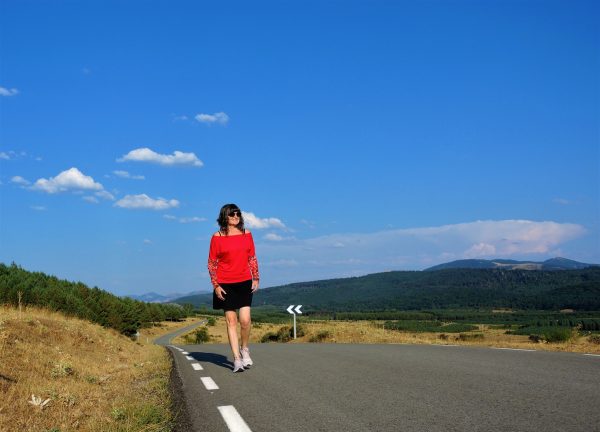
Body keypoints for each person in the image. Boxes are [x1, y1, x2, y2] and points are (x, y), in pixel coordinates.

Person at [207, 203, 259, 372]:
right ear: (225, 217)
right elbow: (212, 263)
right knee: (231, 321)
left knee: (245, 320)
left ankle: (245, 349)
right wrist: (216, 285)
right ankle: (236, 359)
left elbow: (252, 257)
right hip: (225, 284)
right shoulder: (217, 237)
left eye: (238, 214)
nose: (236, 216)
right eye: (232, 214)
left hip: (244, 281)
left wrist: (256, 277)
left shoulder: (247, 234)